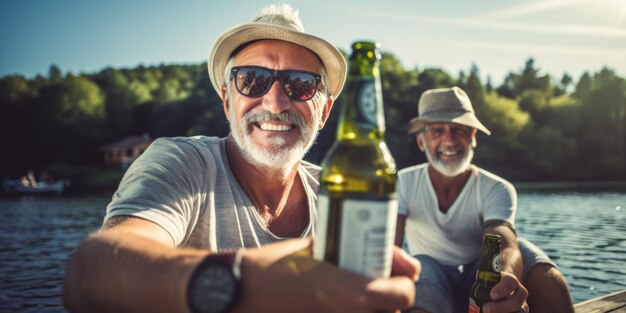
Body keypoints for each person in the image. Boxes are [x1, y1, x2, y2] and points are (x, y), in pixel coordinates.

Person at [62, 4, 419, 313]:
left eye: (300, 84)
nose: (276, 103)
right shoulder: (182, 163)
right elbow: (91, 274)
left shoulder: (333, 191)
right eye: (252, 80)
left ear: (324, 111)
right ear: (227, 99)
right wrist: (246, 282)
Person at [394, 86, 574, 313]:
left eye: (458, 130)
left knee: (538, 265)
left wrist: (503, 280)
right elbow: (390, 245)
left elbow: (503, 240)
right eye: (437, 131)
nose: (449, 140)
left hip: (478, 282)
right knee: (424, 265)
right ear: (422, 143)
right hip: (432, 285)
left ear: (473, 137)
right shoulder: (401, 183)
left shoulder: (497, 188)